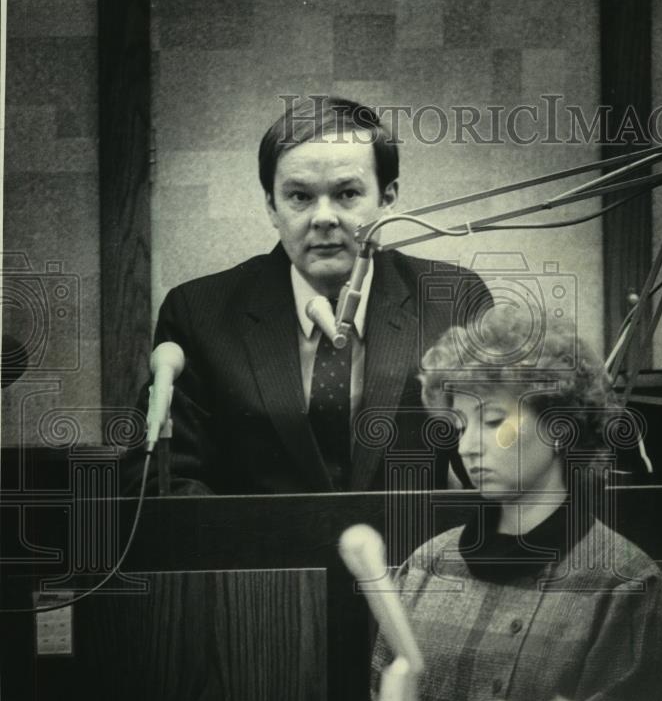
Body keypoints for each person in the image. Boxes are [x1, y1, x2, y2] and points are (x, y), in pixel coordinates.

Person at [284, 304, 662, 701]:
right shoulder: (427, 564)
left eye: (493, 422)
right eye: (460, 424)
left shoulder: (625, 585)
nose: (469, 445)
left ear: (560, 426)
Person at [122, 96, 491, 495]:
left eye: (347, 193)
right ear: (271, 205)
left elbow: (502, 462)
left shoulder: (452, 301)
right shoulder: (199, 312)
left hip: (412, 554)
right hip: (259, 554)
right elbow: (158, 480)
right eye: (300, 196)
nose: (324, 217)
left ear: (387, 199)